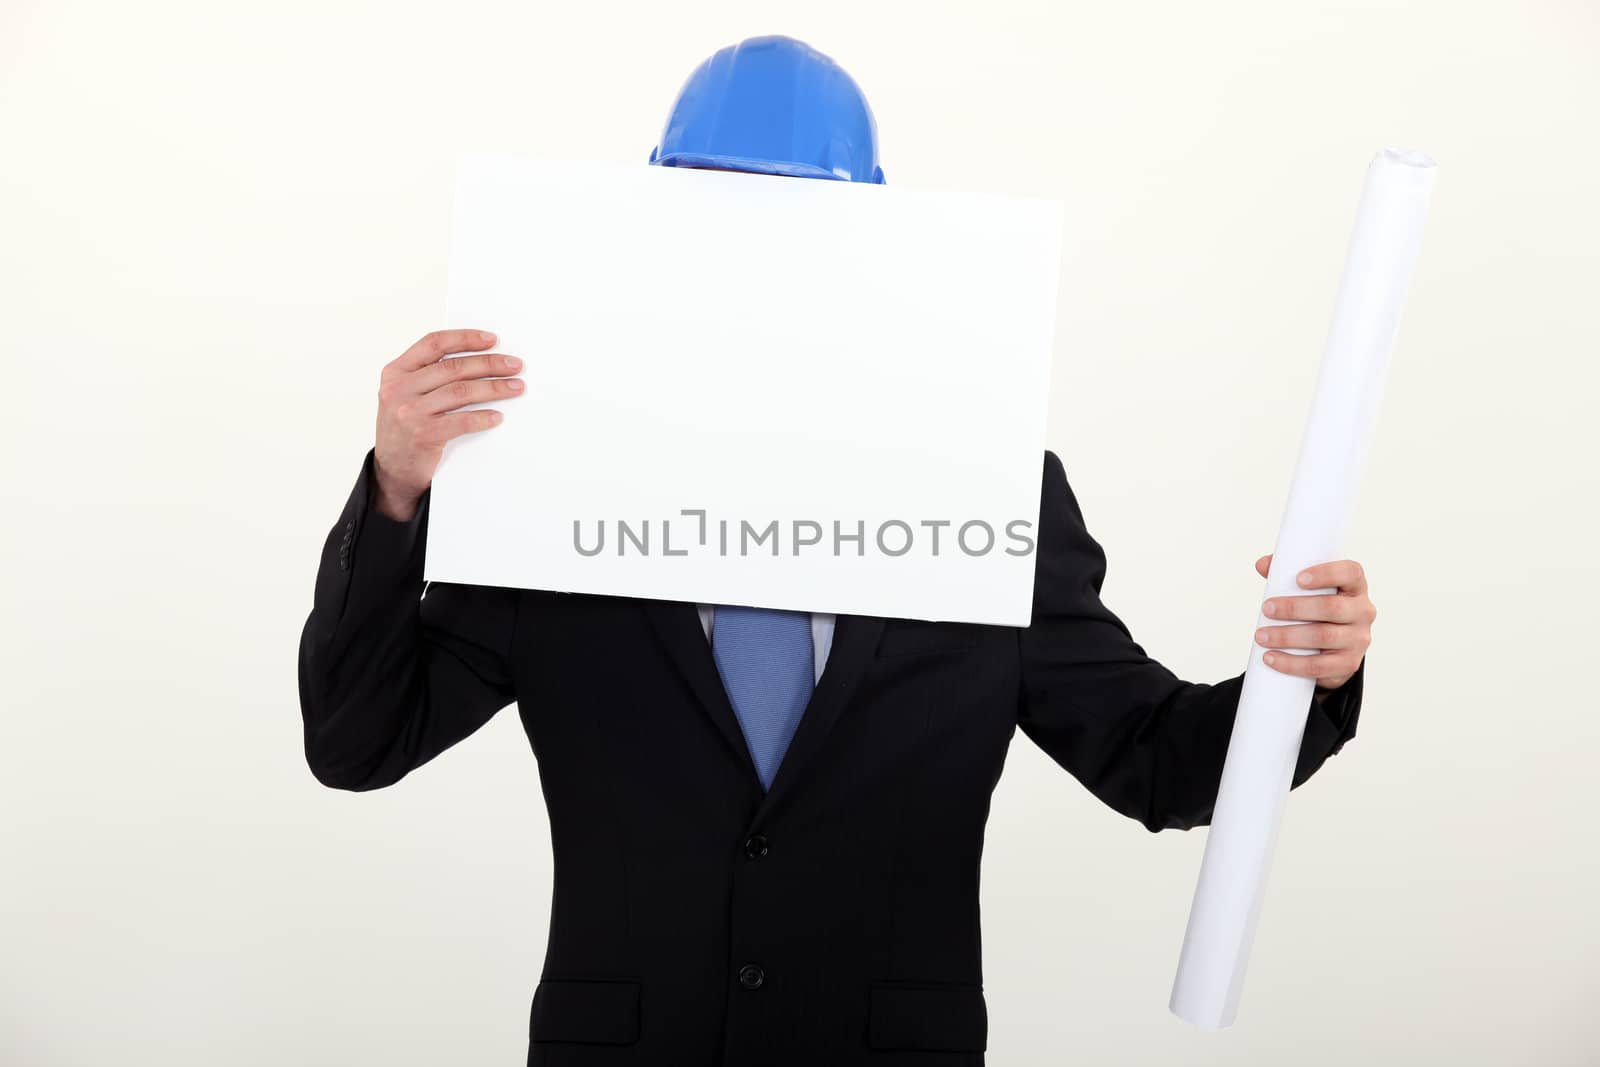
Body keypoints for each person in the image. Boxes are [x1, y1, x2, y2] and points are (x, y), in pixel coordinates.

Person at [297, 34, 1374, 1067]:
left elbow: (1157, 759)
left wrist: (1304, 676)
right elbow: (359, 738)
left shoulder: (990, 489)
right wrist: (397, 486)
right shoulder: (548, 491)